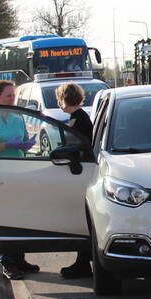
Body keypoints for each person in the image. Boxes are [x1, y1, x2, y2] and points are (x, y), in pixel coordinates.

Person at [0, 80, 38, 280]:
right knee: (4, 218)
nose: (13, 99)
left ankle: (19, 258)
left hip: (18, 169)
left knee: (21, 216)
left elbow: (24, 138)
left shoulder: (17, 116)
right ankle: (7, 261)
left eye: (14, 96)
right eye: (9, 96)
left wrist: (26, 144)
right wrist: (5, 145)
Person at [55, 82, 94, 279]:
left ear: (63, 99)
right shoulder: (79, 117)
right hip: (85, 172)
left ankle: (83, 262)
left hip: (82, 174)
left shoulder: (77, 121)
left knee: (82, 220)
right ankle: (83, 261)